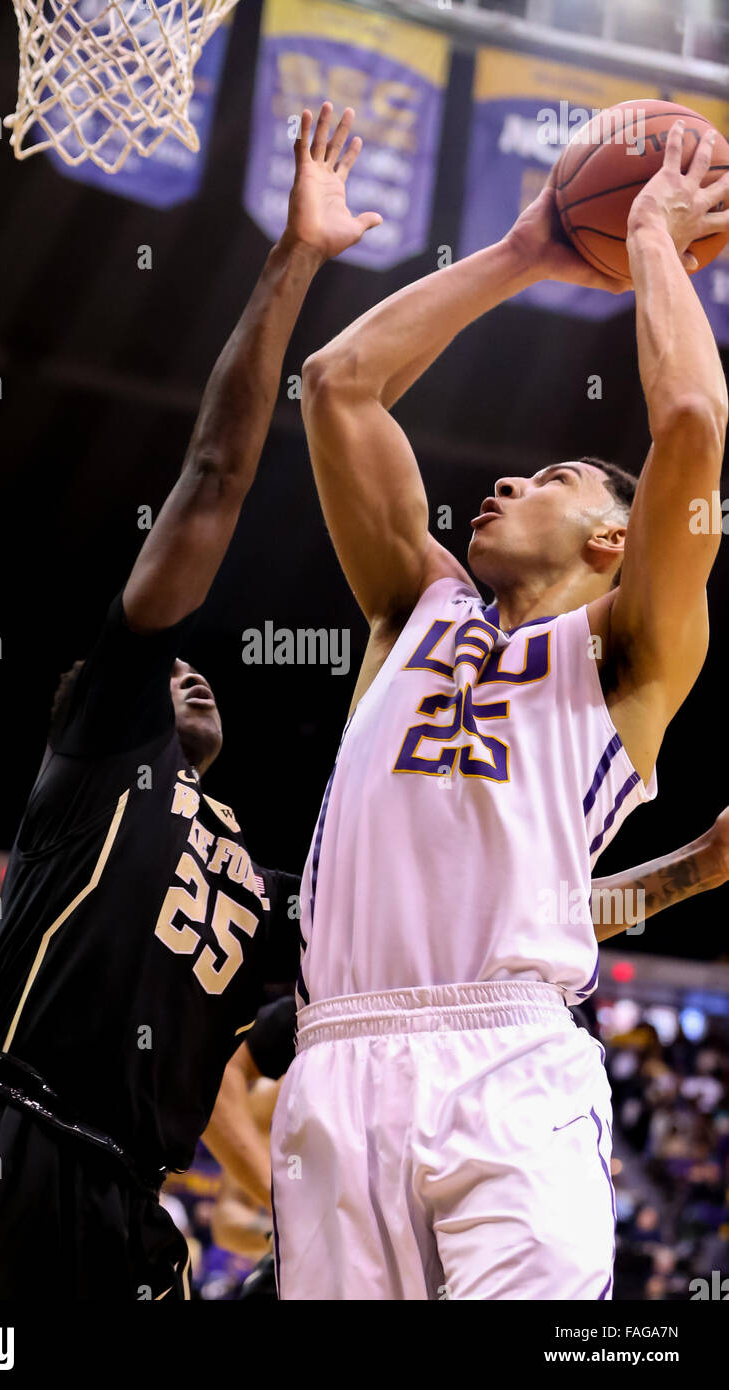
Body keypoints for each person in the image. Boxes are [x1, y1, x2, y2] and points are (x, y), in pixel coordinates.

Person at [0, 103, 379, 1301]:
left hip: (130, 1209)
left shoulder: (267, 886)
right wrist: (293, 259)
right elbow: (212, 476)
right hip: (3, 1153)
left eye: (197, 676)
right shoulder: (109, 751)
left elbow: (468, 935)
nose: (189, 674)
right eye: (163, 675)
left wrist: (669, 881)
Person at [272, 119, 729, 1299]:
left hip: (509, 1070)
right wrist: (527, 247)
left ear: (612, 540)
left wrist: (648, 246)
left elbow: (689, 427)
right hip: (337, 1067)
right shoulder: (410, 607)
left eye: (554, 479)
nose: (507, 481)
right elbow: (338, 383)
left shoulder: (631, 648)